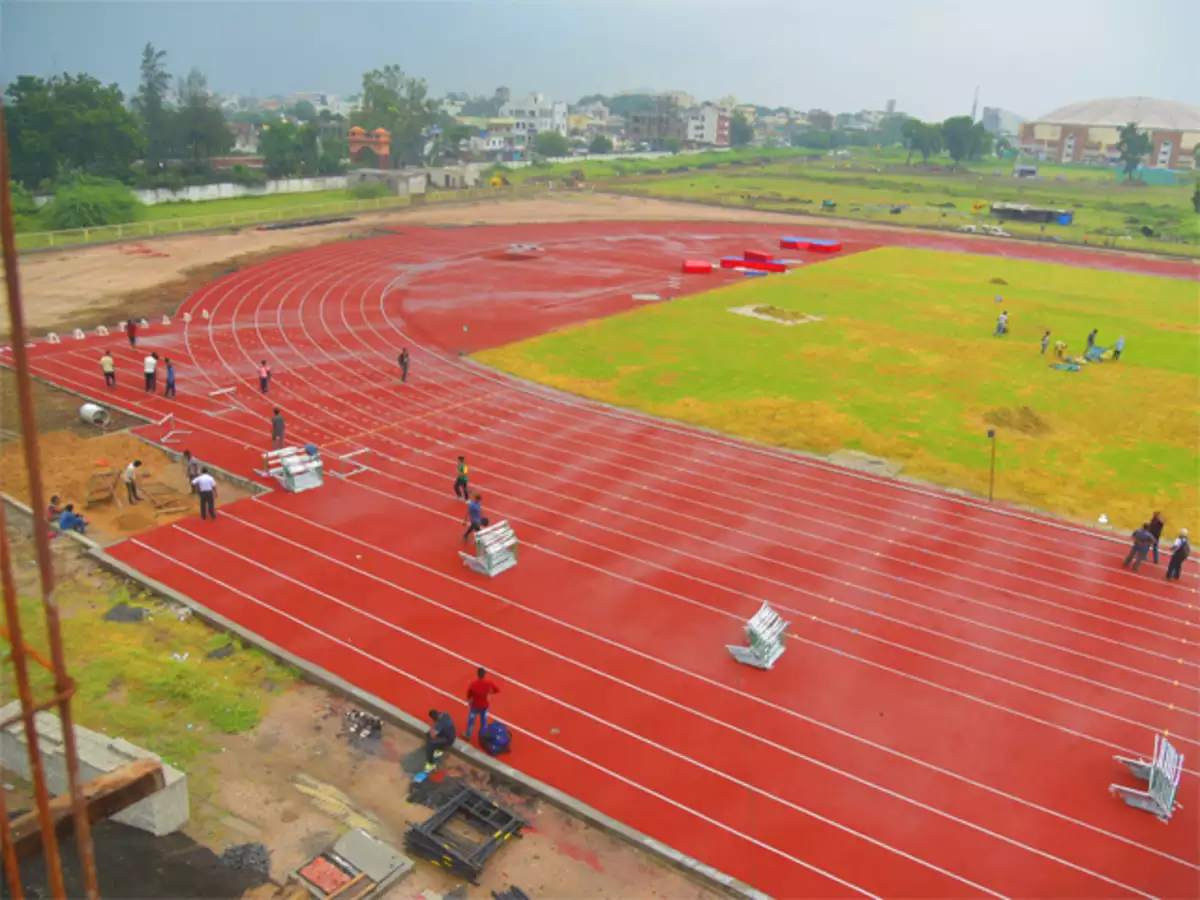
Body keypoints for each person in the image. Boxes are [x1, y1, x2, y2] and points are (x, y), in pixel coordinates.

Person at [464, 667, 500, 741]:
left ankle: (468, 734)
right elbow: (497, 690)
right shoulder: (489, 683)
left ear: (478, 674)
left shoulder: (473, 684)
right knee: (483, 721)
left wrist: (469, 700)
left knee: (471, 721)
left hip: (475, 705)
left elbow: (469, 694)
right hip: (484, 705)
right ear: (485, 674)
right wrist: (490, 693)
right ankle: (482, 735)